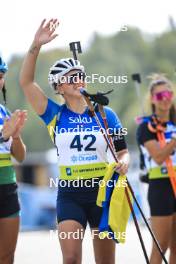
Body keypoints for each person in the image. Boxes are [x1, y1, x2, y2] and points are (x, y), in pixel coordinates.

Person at [19, 19, 130, 264]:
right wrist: (35, 46)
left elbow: (123, 151)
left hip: (102, 191)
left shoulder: (105, 113)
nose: (77, 79)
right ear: (58, 86)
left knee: (105, 261)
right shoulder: (54, 115)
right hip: (70, 194)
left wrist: (125, 163)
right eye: (70, 77)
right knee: (70, 258)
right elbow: (26, 82)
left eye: (80, 75)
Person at [136, 74, 176, 264]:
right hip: (161, 188)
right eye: (160, 96)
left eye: (168, 93)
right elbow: (159, 158)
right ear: (152, 99)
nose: (165, 98)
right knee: (161, 247)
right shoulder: (146, 127)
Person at [0, 57, 27, 264]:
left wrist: (15, 135)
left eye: (0, 76)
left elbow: (20, 156)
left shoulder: (4, 113)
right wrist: (3, 136)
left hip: (7, 187)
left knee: (7, 256)